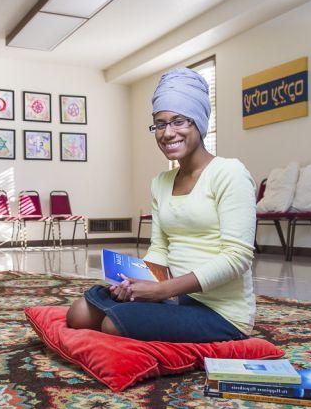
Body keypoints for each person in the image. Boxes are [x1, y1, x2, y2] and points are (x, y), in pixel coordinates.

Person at [66, 67, 257, 343]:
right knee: (79, 313)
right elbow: (160, 247)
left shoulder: (230, 173)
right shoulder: (161, 182)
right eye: (160, 123)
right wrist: (135, 283)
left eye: (179, 121)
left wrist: (162, 291)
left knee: (113, 325)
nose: (168, 133)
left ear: (199, 123)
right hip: (175, 299)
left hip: (221, 313)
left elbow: (237, 257)